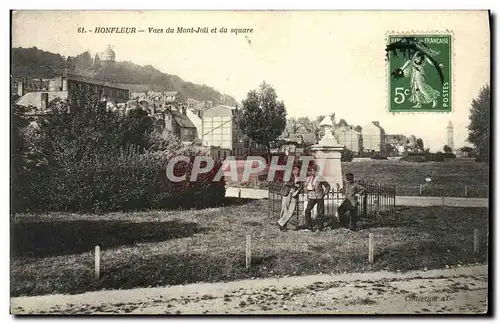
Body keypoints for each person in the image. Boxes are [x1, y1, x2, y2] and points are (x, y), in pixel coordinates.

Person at [302, 165, 331, 232]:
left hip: (319, 196)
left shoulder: (320, 177)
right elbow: (305, 186)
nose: (311, 172)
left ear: (315, 171)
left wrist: (325, 193)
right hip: (312, 197)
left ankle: (320, 227)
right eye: (311, 170)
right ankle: (309, 227)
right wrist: (307, 191)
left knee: (320, 212)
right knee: (307, 211)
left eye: (312, 170)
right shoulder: (309, 178)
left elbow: (327, 186)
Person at [278, 165, 303, 231]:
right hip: (287, 193)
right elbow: (286, 183)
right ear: (293, 170)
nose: (297, 172)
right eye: (296, 170)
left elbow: (301, 186)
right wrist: (294, 184)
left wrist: (297, 191)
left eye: (298, 170)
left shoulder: (299, 177)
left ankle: (280, 223)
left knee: (291, 211)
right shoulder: (288, 175)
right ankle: (283, 226)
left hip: (294, 194)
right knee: (285, 210)